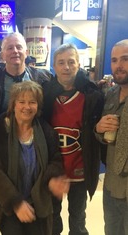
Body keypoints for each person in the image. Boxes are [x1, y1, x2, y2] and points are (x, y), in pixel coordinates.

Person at [0, 81, 69, 235]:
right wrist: (15, 201)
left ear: (38, 106)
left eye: (32, 102)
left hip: (36, 203)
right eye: (21, 102)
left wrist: (53, 177)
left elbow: (55, 159)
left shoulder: (47, 132)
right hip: (3, 204)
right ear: (13, 104)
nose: (27, 107)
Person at [42, 43, 104, 235]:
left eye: (71, 62)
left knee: (78, 220)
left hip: (80, 170)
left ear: (79, 64)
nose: (66, 67)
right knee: (52, 221)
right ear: (54, 66)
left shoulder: (92, 96)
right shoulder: (44, 95)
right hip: (54, 170)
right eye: (61, 62)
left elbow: (97, 131)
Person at [95, 39, 128, 235]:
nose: (119, 65)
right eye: (114, 60)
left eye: (125, 59)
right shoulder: (111, 94)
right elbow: (102, 137)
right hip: (112, 186)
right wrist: (98, 129)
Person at [0, 32, 53, 118]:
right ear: (3, 55)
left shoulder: (43, 78)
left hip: (32, 129)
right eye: (10, 48)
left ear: (26, 53)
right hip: (0, 129)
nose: (15, 51)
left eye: (19, 47)